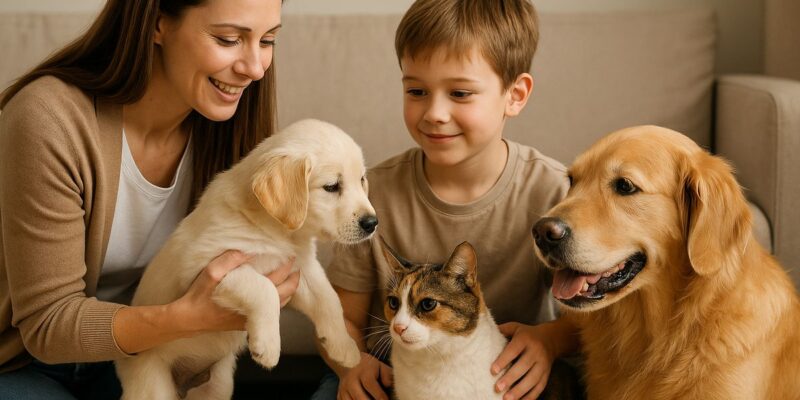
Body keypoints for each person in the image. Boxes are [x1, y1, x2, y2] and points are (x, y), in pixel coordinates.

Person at [0, 0, 300, 398]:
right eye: (229, 39)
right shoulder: (49, 119)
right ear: (157, 24)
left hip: (145, 354)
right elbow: (48, 326)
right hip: (22, 360)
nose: (256, 68)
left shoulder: (230, 134)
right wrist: (185, 319)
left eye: (267, 40)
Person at [310, 1, 584, 399]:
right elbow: (338, 320)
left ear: (515, 95)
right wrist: (352, 364)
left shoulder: (554, 192)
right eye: (416, 91)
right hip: (389, 373)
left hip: (504, 377)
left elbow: (596, 320)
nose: (435, 113)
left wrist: (550, 341)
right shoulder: (371, 194)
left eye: (459, 93)